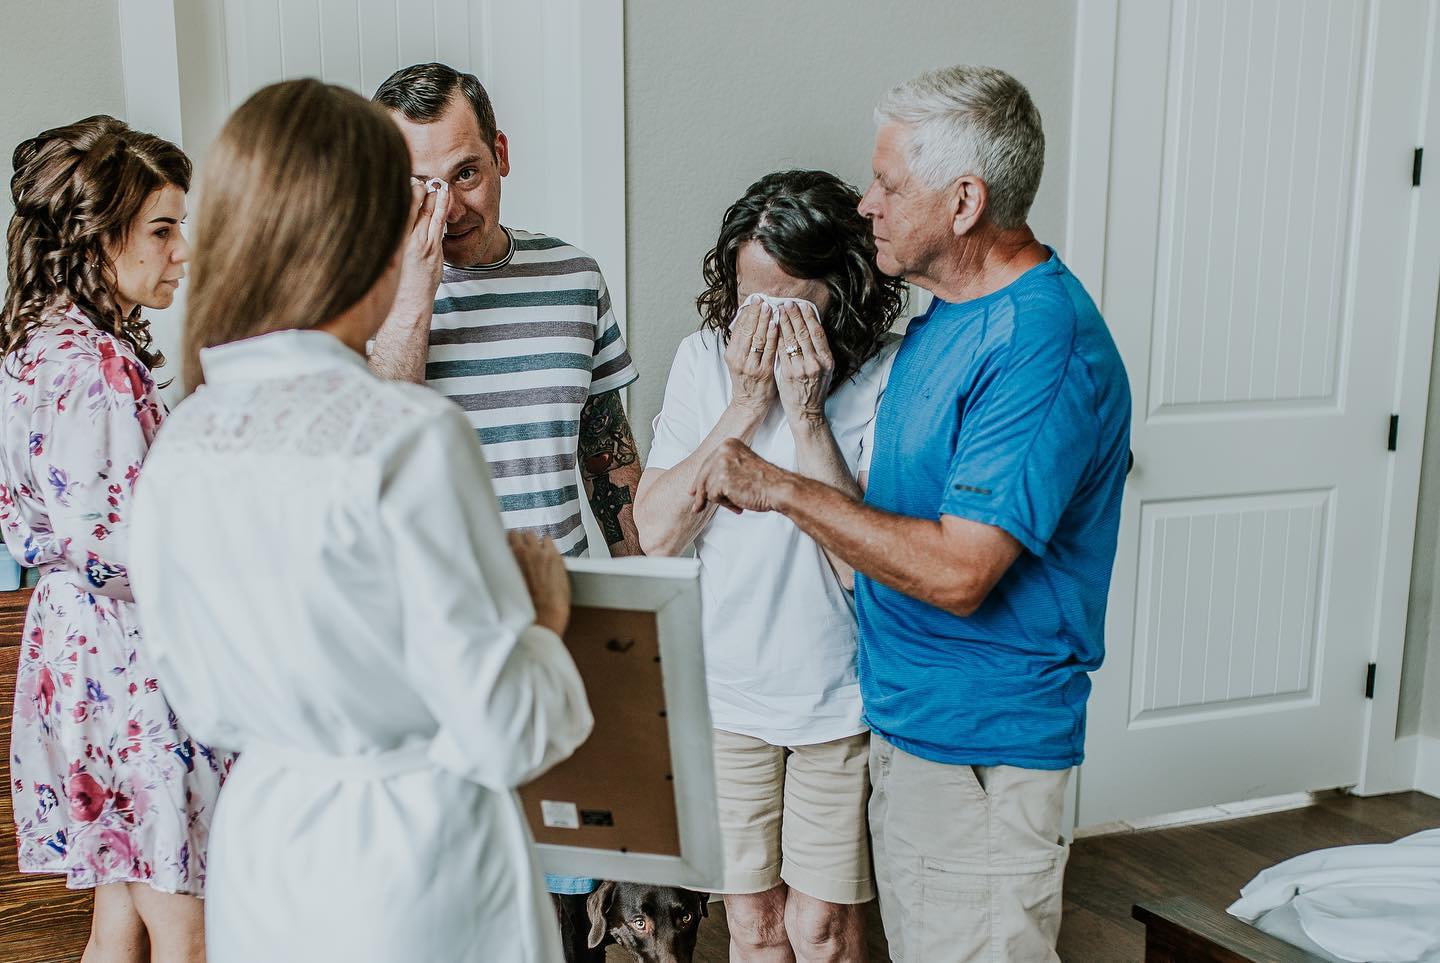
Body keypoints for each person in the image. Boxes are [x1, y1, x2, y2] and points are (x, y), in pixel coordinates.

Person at [127, 79, 592, 962]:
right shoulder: (406, 435)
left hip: (262, 856)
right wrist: (540, 622)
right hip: (414, 870)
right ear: (375, 238)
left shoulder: (181, 440)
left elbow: (191, 692)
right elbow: (506, 727)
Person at [689, 66, 1133, 962]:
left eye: (888, 184)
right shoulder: (950, 321)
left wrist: (780, 486)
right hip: (914, 725)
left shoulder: (1037, 342)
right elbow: (881, 547)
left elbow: (960, 572)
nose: (868, 204)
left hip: (979, 746)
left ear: (964, 201)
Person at [367, 61, 641, 941]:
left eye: (466, 173)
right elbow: (376, 440)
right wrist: (415, 291)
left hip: (560, 632)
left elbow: (609, 460)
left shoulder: (575, 277)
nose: (449, 205)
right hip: (429, 646)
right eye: (420, 185)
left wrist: (646, 617)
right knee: (451, 907)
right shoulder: (366, 294)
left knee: (570, 901)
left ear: (502, 155)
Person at [636, 170, 902, 962]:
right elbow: (657, 533)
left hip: (838, 697)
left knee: (821, 929)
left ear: (841, 290)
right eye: (751, 301)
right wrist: (746, 405)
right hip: (725, 694)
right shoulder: (702, 361)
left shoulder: (887, 372)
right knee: (751, 923)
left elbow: (864, 569)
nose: (766, 324)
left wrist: (808, 415)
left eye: (790, 304)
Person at [0, 115, 232, 962]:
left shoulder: (33, 345)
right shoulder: (98, 365)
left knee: (118, 918)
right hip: (130, 659)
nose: (183, 252)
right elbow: (127, 550)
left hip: (73, 651)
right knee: (187, 926)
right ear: (100, 236)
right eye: (162, 230)